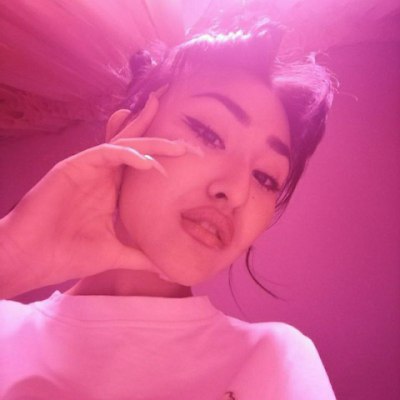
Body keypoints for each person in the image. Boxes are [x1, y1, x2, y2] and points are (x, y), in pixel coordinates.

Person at [0, 10, 337, 400]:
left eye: (265, 178)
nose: (236, 192)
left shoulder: (272, 358)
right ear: (124, 134)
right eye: (209, 133)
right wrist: (10, 257)